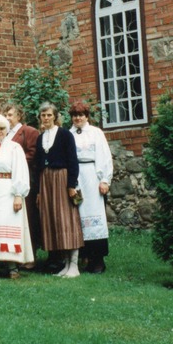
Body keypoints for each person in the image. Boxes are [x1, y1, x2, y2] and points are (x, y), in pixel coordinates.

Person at [0, 115, 34, 278]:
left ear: (7, 129)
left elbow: (21, 171)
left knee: (8, 224)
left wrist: (18, 194)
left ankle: (12, 267)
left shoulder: (14, 148)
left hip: (8, 191)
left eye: (2, 128)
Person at [35, 102, 83, 278]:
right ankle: (65, 264)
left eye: (49, 115)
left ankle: (74, 265)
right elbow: (38, 165)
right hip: (46, 180)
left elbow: (73, 161)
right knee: (54, 220)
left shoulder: (64, 135)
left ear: (55, 116)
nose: (46, 118)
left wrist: (71, 185)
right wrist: (39, 191)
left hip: (62, 179)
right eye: (43, 115)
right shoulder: (41, 138)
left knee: (67, 219)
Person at [69, 101, 112, 273]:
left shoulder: (95, 133)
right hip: (76, 178)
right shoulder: (68, 134)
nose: (77, 118)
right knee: (78, 215)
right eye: (74, 115)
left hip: (92, 176)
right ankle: (83, 257)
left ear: (87, 116)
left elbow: (104, 156)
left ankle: (98, 260)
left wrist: (104, 180)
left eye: (80, 115)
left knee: (95, 217)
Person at [3, 102, 41, 265]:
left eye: (10, 115)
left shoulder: (28, 131)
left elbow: (33, 154)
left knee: (29, 217)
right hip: (6, 182)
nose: (7, 118)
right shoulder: (3, 134)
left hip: (25, 179)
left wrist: (13, 163)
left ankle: (30, 254)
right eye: (5, 115)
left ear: (19, 115)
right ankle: (13, 254)